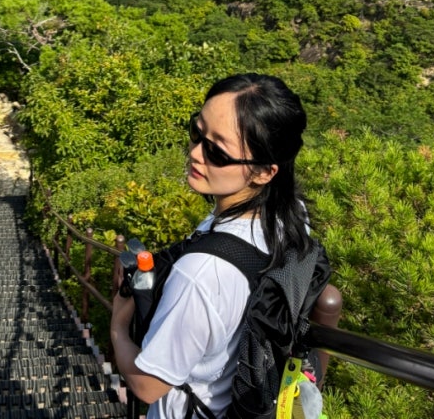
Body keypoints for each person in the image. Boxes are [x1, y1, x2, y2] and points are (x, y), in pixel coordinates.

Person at [110, 72, 312, 419]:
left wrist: (117, 325)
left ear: (264, 172)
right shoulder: (289, 214)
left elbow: (148, 386)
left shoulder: (202, 273)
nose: (195, 153)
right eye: (197, 131)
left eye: (217, 151)